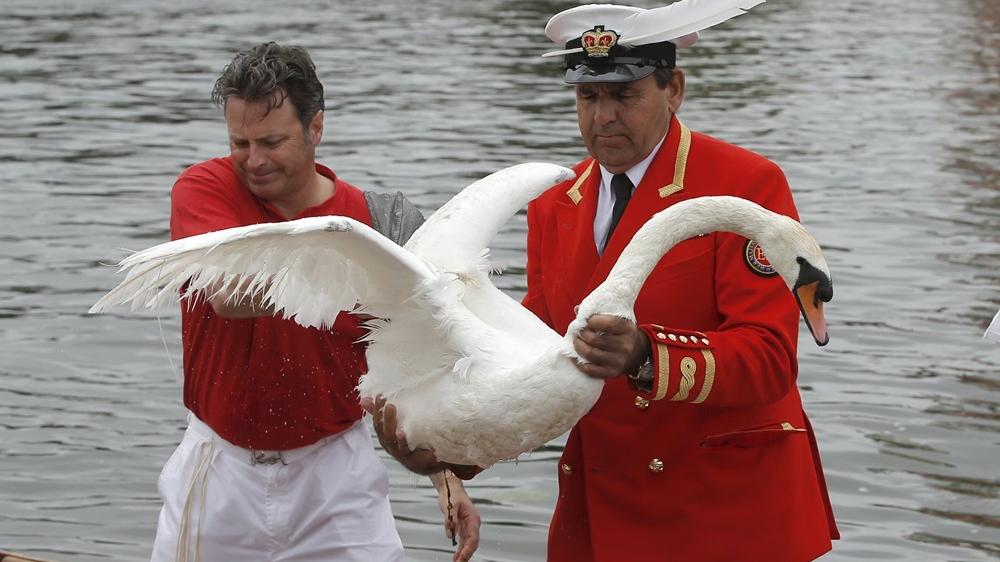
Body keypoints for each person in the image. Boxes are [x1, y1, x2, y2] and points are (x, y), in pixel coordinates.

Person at [374, 3, 839, 561]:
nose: (603, 118)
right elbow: (534, 357)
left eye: (624, 96)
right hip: (601, 511)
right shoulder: (555, 202)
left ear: (675, 90)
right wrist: (446, 451)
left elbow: (769, 361)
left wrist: (647, 354)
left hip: (720, 514)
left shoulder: (745, 185)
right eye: (589, 97)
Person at [153, 42, 480, 562]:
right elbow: (225, 293)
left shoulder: (373, 223)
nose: (253, 161)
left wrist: (444, 475)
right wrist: (365, 275)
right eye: (240, 142)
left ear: (316, 127)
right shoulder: (204, 187)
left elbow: (413, 364)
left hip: (337, 472)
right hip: (221, 468)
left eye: (272, 141)